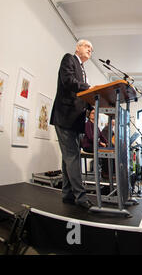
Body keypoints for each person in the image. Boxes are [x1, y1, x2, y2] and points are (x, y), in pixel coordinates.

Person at [50, 39, 93, 209]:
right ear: (77, 47)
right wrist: (89, 88)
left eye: (91, 49)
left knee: (68, 157)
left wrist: (91, 106)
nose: (90, 50)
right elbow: (68, 82)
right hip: (65, 116)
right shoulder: (69, 59)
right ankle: (81, 197)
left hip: (76, 120)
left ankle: (67, 193)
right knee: (73, 156)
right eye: (87, 46)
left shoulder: (83, 69)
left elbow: (82, 95)